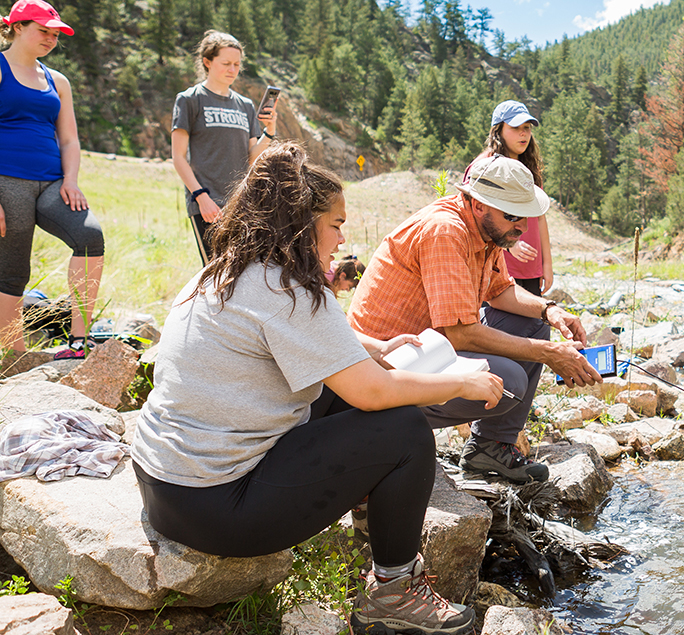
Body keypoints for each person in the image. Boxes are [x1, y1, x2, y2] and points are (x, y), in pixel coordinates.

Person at [132, 143, 500, 635]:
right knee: (406, 430)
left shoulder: (222, 271)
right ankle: (392, 592)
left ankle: (377, 523)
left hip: (163, 487)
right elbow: (372, 394)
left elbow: (279, 337)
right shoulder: (293, 290)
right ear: (302, 224)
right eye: (336, 224)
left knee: (334, 389)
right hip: (217, 509)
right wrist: (458, 381)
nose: (342, 237)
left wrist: (364, 345)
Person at [348, 154, 602, 484]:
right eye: (512, 215)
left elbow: (500, 292)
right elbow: (458, 333)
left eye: (525, 216)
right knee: (509, 382)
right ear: (479, 204)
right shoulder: (446, 232)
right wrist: (548, 353)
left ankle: (489, 449)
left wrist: (550, 309)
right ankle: (390, 425)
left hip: (427, 348)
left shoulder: (488, 231)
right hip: (384, 364)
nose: (522, 227)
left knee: (534, 322)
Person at [0, 0, 104, 361]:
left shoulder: (57, 80)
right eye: (43, 30)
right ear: (17, 27)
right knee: (13, 271)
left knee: (90, 236)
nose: (50, 38)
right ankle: (14, 357)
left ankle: (78, 343)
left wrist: (71, 180)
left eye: (55, 34)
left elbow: (70, 139)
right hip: (6, 182)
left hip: (52, 183)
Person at [171, 30, 277, 264]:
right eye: (226, 63)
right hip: (207, 203)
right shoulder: (190, 99)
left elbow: (252, 158)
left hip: (242, 203)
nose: (232, 70)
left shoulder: (246, 105)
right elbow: (178, 157)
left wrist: (269, 131)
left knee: (242, 272)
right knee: (215, 272)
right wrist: (200, 196)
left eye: (237, 64)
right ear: (207, 62)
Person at [484, 100, 553, 296]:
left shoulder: (529, 167)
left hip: (531, 268)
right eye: (515, 127)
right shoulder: (486, 167)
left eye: (527, 128)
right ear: (498, 130)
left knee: (533, 326)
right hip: (499, 268)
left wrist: (546, 264)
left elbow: (540, 217)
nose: (524, 133)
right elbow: (480, 218)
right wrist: (509, 245)